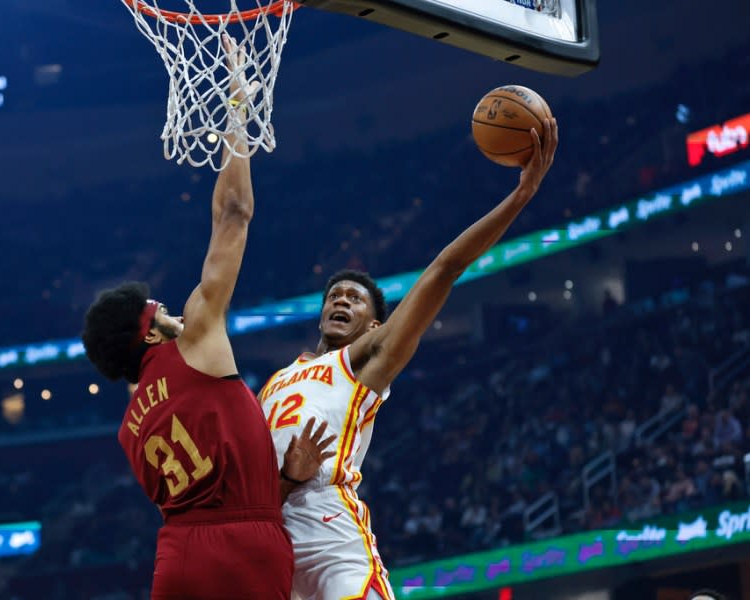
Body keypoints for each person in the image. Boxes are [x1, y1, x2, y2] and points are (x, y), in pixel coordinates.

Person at [260, 119, 558, 599]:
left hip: (328, 524)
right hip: (269, 533)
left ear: (376, 326)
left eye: (354, 299)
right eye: (334, 295)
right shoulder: (275, 382)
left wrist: (520, 197)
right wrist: (283, 480)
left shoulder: (366, 360)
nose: (340, 300)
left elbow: (446, 267)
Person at [81, 36, 335, 600]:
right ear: (148, 330)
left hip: (176, 558)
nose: (174, 310)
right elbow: (235, 213)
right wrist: (239, 102)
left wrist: (286, 481)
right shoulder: (194, 337)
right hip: (247, 545)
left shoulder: (130, 424)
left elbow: (211, 489)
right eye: (161, 310)